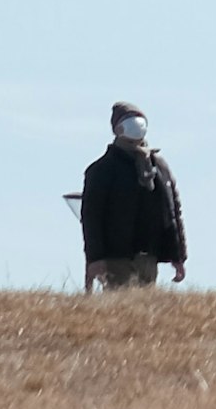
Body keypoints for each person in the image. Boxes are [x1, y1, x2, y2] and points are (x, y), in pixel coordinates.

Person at [76, 100, 187, 289]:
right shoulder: (103, 169)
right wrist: (95, 258)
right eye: (127, 120)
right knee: (118, 309)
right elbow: (91, 217)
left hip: (149, 255)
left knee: (144, 311)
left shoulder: (159, 167)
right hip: (116, 257)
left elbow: (172, 211)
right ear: (117, 129)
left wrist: (178, 255)